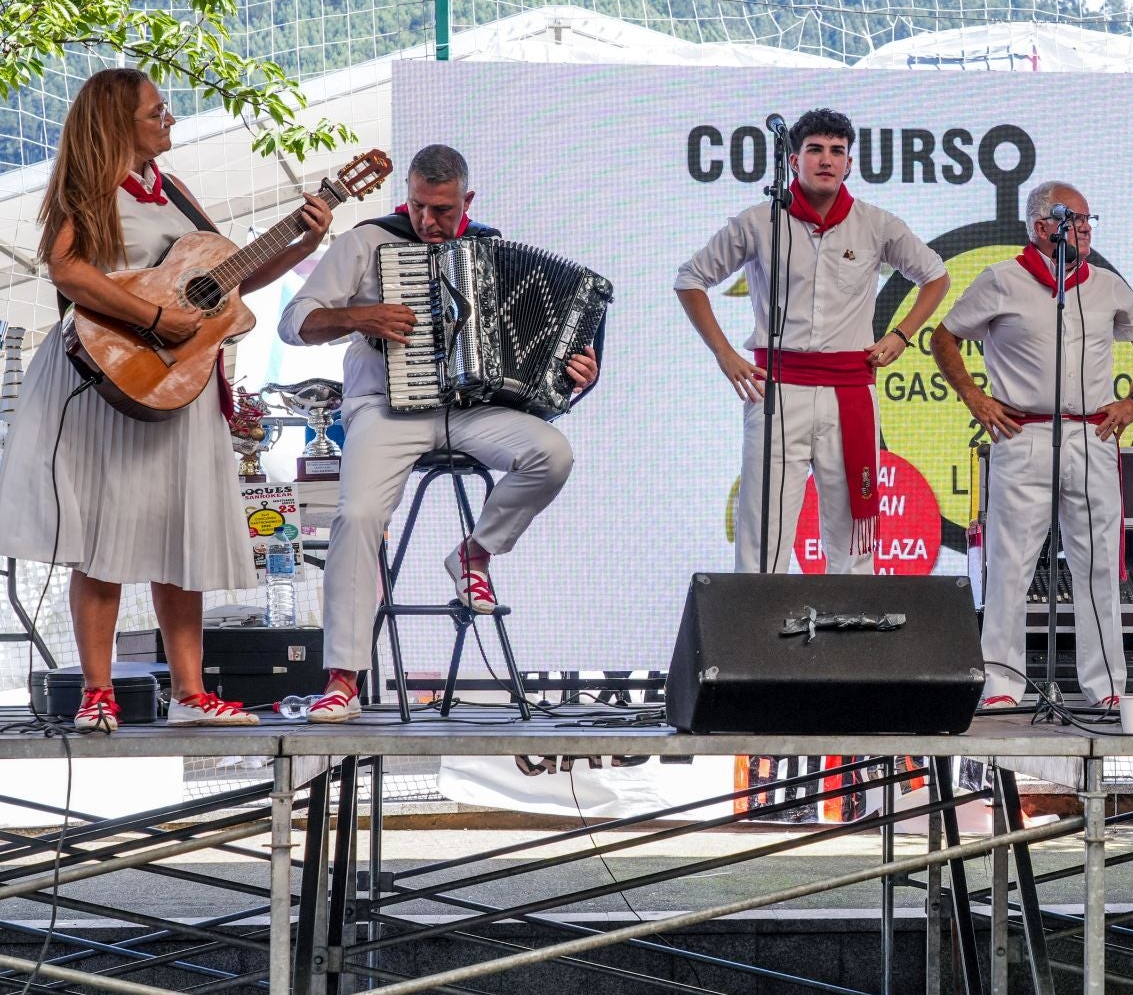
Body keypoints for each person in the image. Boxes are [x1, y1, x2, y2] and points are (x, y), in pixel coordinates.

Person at [0, 68, 331, 731]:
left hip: (180, 381)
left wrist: (306, 238)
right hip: (107, 376)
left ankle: (189, 693)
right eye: (158, 110)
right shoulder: (87, 188)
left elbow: (227, 280)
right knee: (104, 534)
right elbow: (66, 268)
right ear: (120, 121)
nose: (170, 118)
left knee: (184, 534)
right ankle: (98, 693)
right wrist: (151, 322)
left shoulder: (174, 192)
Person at [277, 144, 597, 723]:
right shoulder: (370, 242)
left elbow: (548, 358)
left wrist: (578, 372)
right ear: (408, 193)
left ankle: (474, 553)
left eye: (443, 211)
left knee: (551, 453)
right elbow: (293, 323)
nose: (428, 222)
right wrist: (358, 316)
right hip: (386, 408)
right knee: (359, 514)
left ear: (466, 201)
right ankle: (343, 678)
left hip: (470, 410)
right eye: (420, 206)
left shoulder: (489, 249)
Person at [676, 108, 950, 574]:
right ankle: (754, 638)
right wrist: (725, 355)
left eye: (837, 151)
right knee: (764, 527)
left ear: (850, 163)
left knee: (852, 528)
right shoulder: (760, 221)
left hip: (850, 389)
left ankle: (850, 638)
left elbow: (936, 276)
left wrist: (902, 335)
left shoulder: (876, 224)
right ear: (793, 158)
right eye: (815, 150)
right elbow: (691, 279)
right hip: (778, 389)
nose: (826, 160)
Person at [932, 182, 1133, 709]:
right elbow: (944, 336)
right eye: (1074, 219)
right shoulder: (1002, 280)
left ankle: (1107, 686)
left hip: (1091, 434)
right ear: (1041, 228)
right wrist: (975, 397)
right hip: (1024, 433)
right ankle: (1003, 686)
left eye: (1088, 220)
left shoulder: (1105, 284)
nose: (1085, 228)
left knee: (1101, 564)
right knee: (1011, 562)